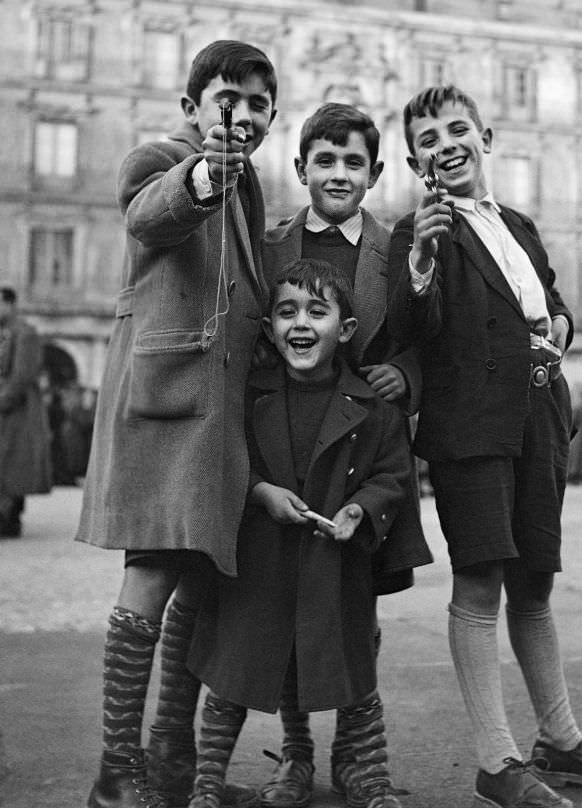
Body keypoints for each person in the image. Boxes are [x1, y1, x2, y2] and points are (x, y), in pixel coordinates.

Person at [386, 85, 582, 808]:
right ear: (415, 161)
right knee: (480, 581)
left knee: (536, 580)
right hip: (471, 426)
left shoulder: (520, 224)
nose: (447, 145)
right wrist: (423, 259)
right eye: (429, 139)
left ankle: (559, 739)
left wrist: (560, 323)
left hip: (538, 417)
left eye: (458, 129)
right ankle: (496, 760)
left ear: (487, 137)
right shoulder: (417, 232)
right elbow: (412, 323)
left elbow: (549, 296)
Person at [75, 40, 278, 808]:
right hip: (167, 405)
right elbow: (149, 212)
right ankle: (114, 776)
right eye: (231, 97)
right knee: (153, 574)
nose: (245, 114)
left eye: (260, 103)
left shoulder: (253, 185)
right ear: (192, 106)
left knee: (196, 581)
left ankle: (169, 766)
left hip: (217, 415)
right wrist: (203, 175)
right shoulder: (159, 156)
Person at [187, 258, 421, 808]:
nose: (300, 324)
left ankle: (372, 774)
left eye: (318, 312)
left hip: (335, 569)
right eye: (287, 311)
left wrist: (361, 510)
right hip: (257, 563)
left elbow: (394, 475)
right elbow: (223, 461)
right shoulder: (246, 398)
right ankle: (209, 783)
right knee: (235, 672)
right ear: (269, 327)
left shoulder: (375, 407)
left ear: (346, 330)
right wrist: (261, 492)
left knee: (352, 670)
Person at [260, 102, 431, 808]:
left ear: (375, 172)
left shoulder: (398, 250)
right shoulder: (272, 248)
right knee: (291, 603)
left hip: (364, 450)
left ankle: (358, 757)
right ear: (301, 169)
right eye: (324, 161)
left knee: (358, 606)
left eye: (352, 161)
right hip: (293, 446)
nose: (338, 174)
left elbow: (431, 335)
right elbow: (253, 336)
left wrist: (408, 375)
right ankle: (296, 754)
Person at [0, 285, 52, 538]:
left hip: (17, 412)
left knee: (12, 465)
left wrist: (4, 400)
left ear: (10, 304)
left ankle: (9, 518)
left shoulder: (25, 333)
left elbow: (22, 374)